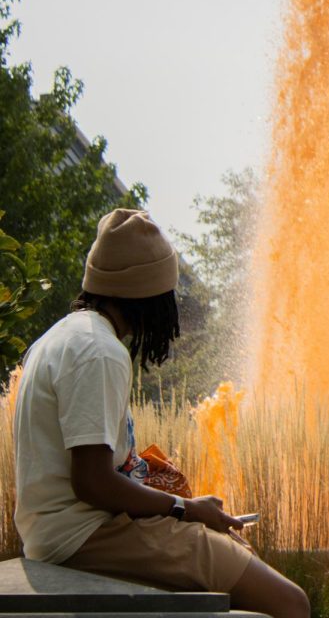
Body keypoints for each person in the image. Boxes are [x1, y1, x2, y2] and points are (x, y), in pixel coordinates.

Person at [12, 209, 309, 618]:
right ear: (147, 295)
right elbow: (92, 483)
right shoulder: (100, 352)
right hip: (87, 536)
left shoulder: (60, 337)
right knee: (290, 603)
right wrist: (185, 508)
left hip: (60, 533)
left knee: (235, 559)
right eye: (167, 297)